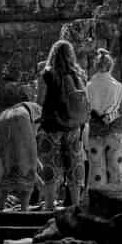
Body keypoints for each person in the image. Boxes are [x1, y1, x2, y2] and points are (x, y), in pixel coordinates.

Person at [37, 39, 88, 208]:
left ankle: (50, 205)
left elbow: (40, 100)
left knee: (50, 165)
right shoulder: (78, 74)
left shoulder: (47, 74)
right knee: (74, 165)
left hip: (51, 126)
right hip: (73, 127)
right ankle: (75, 206)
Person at [82, 48, 122, 189]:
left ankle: (97, 204)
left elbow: (85, 112)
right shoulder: (118, 87)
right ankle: (117, 204)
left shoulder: (88, 87)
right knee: (116, 172)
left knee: (96, 172)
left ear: (95, 66)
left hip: (94, 132)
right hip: (115, 132)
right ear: (111, 66)